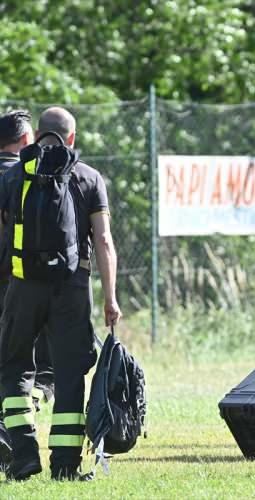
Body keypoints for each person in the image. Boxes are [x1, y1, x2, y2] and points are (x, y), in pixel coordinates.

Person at [0, 107, 122, 481]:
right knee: (69, 374)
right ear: (71, 138)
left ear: (37, 135)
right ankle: (65, 465)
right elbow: (102, 239)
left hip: (22, 287)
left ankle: (22, 454)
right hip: (72, 288)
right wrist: (110, 298)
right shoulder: (88, 177)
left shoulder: (16, 175)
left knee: (14, 366)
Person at [0, 110, 56, 471]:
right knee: (30, 368)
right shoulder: (25, 176)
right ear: (25, 141)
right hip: (19, 284)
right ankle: (11, 432)